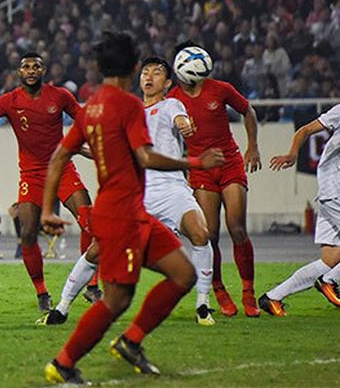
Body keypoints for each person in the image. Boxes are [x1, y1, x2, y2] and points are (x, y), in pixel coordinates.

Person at [41, 32, 224, 384]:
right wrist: (197, 162)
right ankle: (63, 363)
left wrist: (50, 208)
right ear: (133, 66)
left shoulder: (91, 106)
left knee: (183, 275)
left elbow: (60, 155)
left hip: (132, 210)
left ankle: (130, 341)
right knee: (116, 300)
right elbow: (146, 156)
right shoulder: (127, 106)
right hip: (121, 215)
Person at [0, 52, 96, 313]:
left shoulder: (60, 96)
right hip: (31, 175)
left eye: (36, 66)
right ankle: (42, 292)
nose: (31, 70)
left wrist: (87, 146)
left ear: (43, 71)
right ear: (19, 72)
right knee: (27, 232)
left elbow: (85, 122)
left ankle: (92, 285)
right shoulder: (9, 101)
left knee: (89, 220)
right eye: (26, 67)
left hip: (62, 169)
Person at [168, 41, 263, 318]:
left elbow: (248, 111)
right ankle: (219, 290)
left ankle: (248, 291)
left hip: (229, 162)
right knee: (208, 234)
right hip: (200, 170)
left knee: (237, 228)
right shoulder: (172, 99)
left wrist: (252, 146)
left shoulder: (220, 89)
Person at [259, 105, 340, 315]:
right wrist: (292, 154)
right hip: (335, 190)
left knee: (330, 260)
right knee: (331, 270)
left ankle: (272, 297)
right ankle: (329, 281)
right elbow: (304, 130)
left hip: (329, 193)